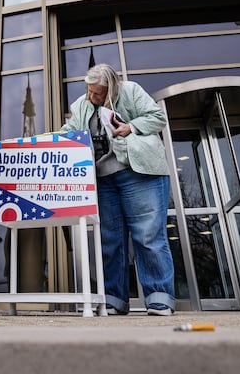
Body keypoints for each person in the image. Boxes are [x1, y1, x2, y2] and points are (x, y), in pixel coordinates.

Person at [61, 64, 175, 316]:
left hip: (139, 173)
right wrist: (53, 140)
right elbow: (71, 132)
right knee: (110, 240)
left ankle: (159, 299)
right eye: (90, 92)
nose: (93, 97)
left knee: (147, 236)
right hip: (103, 179)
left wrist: (131, 127)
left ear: (111, 87)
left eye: (98, 93)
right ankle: (114, 298)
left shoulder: (131, 91)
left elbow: (158, 117)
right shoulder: (81, 104)